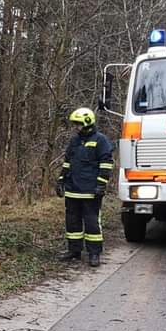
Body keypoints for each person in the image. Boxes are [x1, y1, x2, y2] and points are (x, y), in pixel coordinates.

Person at [56, 107, 114, 267]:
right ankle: (74, 250)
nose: (76, 127)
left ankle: (94, 253)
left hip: (91, 192)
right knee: (72, 222)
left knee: (92, 223)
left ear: (87, 123)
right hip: (73, 190)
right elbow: (67, 162)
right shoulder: (75, 141)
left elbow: (106, 164)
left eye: (78, 124)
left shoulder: (100, 140)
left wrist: (101, 185)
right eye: (75, 124)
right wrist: (61, 180)